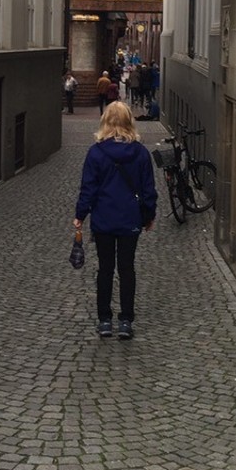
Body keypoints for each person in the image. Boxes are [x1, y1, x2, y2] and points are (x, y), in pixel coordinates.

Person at [74, 100, 157, 341]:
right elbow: (148, 189)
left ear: (106, 122)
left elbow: (88, 188)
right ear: (129, 121)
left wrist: (80, 215)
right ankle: (126, 321)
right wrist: (148, 215)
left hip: (103, 219)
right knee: (127, 268)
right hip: (130, 219)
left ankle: (104, 320)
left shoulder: (96, 152)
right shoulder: (140, 153)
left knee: (105, 269)